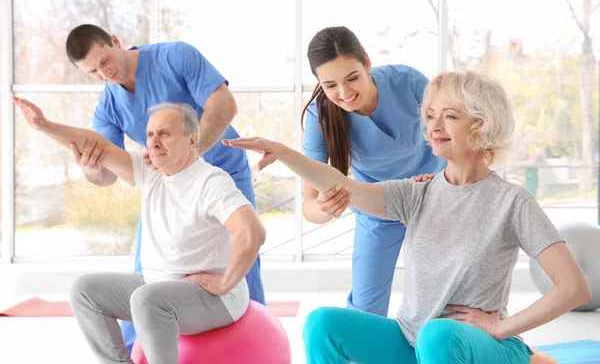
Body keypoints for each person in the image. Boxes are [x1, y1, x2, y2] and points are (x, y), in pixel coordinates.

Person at [224, 71, 592, 364]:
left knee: (439, 334)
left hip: (475, 348)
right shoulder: (417, 192)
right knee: (323, 323)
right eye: (430, 115)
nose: (434, 126)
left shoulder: (513, 202)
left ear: (481, 126)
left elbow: (574, 287)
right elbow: (342, 184)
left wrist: (500, 328)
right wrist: (285, 153)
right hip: (413, 343)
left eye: (450, 116)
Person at [14, 97, 266, 364]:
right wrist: (44, 126)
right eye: (150, 134)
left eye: (165, 134)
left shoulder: (211, 182)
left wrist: (225, 283)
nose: (154, 142)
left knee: (147, 299)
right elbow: (95, 144)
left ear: (192, 141)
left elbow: (252, 232)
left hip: (214, 299)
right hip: (158, 286)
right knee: (85, 290)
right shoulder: (151, 172)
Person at [64, 24, 265, 349]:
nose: (104, 73)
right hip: (168, 186)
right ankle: (135, 351)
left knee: (243, 261)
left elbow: (224, 105)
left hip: (221, 169)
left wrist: (186, 159)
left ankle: (254, 346)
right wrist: (91, 170)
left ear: (115, 41)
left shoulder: (175, 56)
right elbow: (108, 175)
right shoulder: (109, 106)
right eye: (93, 72)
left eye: (105, 61)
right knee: (149, 269)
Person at [300, 26, 445, 317]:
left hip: (436, 196)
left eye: (352, 78)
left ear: (367, 62)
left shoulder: (408, 82)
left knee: (444, 299)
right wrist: (327, 208)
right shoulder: (321, 116)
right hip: (378, 207)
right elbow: (309, 205)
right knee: (365, 309)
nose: (344, 93)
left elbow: (455, 132)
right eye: (330, 85)